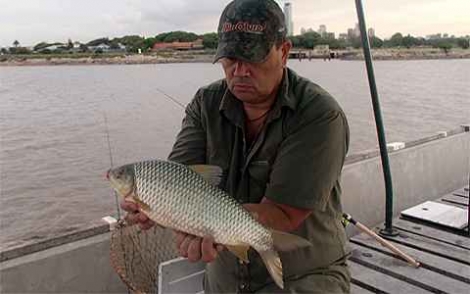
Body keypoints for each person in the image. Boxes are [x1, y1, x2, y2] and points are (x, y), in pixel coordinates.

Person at [121, 0, 350, 292]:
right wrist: (154, 207)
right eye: (230, 58)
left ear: (283, 52)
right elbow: (179, 177)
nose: (239, 71)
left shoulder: (319, 114)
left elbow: (283, 214)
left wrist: (212, 227)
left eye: (251, 57)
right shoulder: (205, 103)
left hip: (304, 276)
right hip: (225, 277)